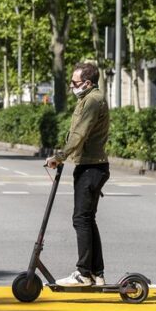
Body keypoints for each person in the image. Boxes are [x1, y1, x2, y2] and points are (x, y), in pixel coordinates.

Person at [46, 62, 110, 287]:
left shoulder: (92, 100)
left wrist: (60, 156)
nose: (72, 86)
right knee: (87, 220)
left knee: (81, 219)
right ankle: (96, 273)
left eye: (74, 82)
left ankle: (84, 273)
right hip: (91, 165)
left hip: (91, 167)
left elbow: (80, 134)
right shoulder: (89, 98)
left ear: (87, 83)